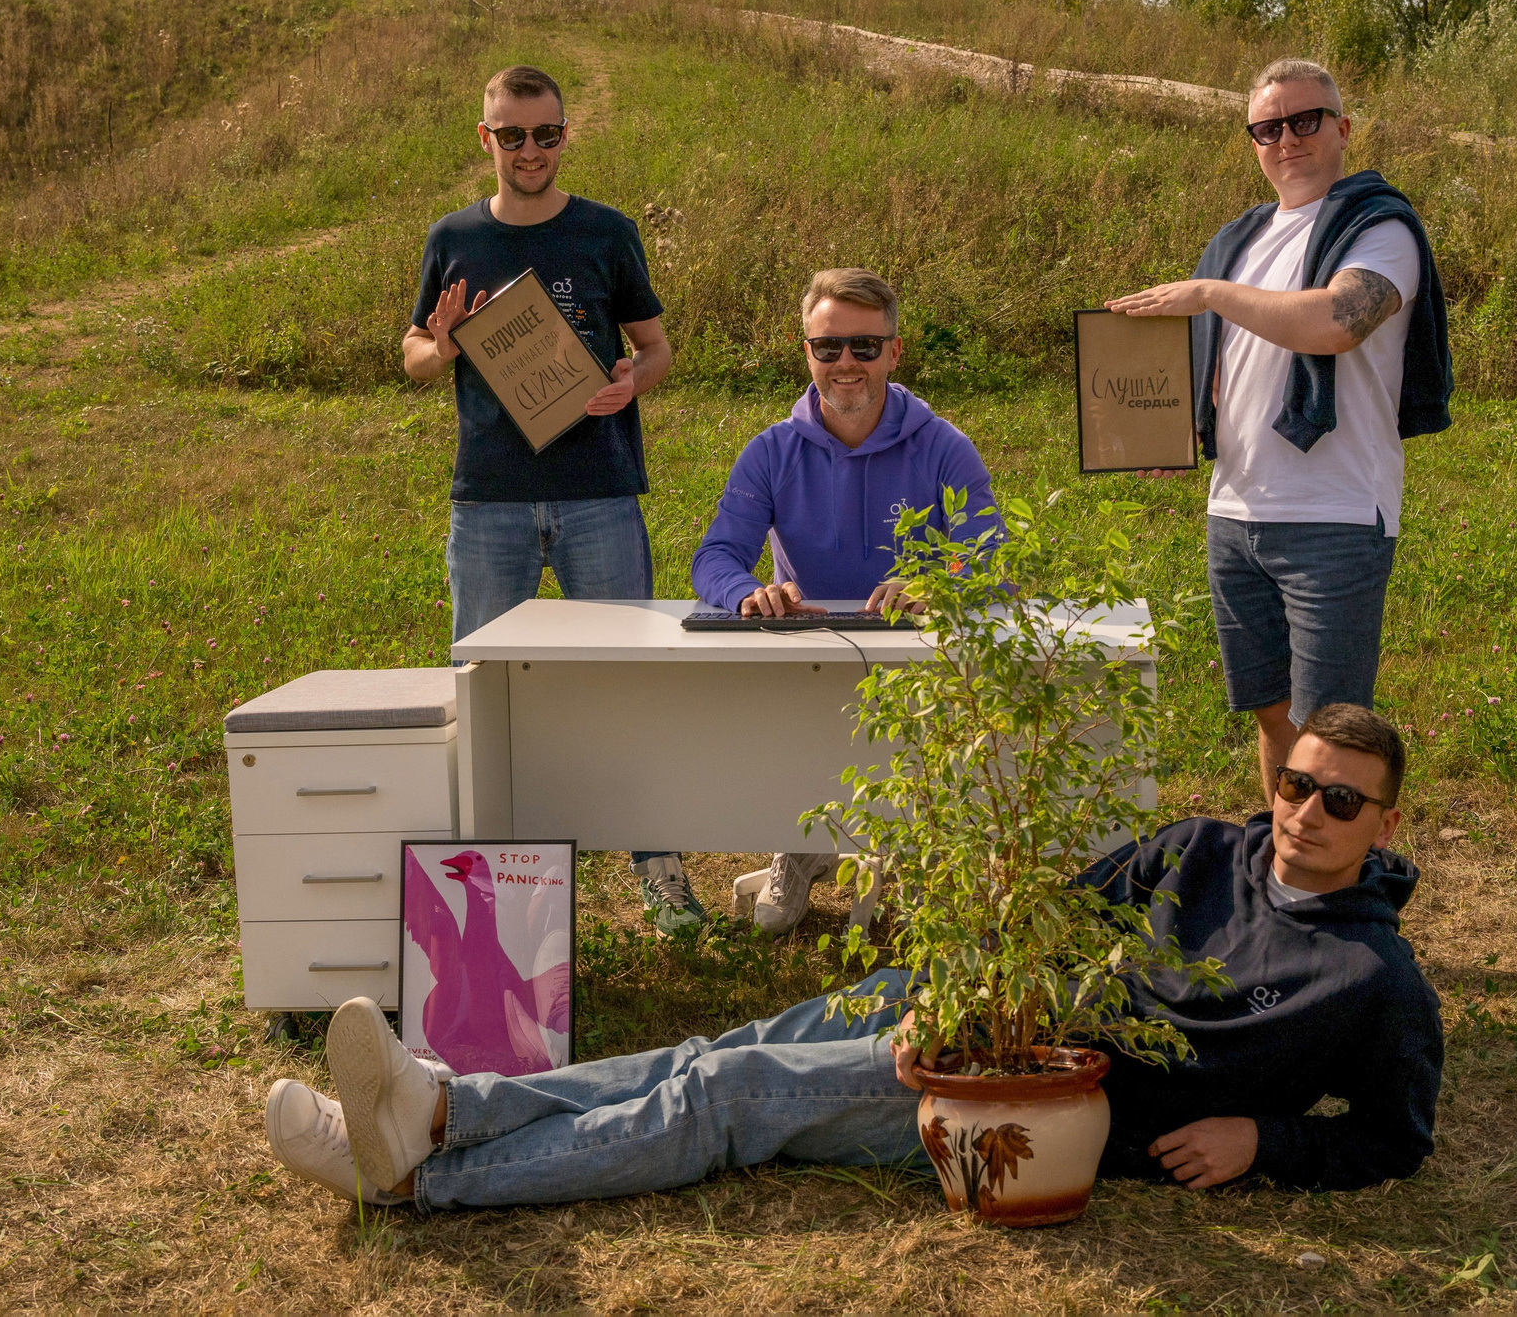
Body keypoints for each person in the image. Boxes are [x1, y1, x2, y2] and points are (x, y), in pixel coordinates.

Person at [262, 704, 1443, 1208]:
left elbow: (1396, 1139)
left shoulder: (1372, 981)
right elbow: (1047, 924)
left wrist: (1266, 1141)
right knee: (714, 1048)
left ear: (1383, 824)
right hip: (974, 1011)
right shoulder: (1200, 847)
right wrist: (957, 989)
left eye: (1341, 802)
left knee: (729, 1095)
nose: (1307, 812)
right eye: (1295, 783)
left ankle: (419, 1179)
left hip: (1033, 1097)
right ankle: (451, 1110)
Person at [405, 63, 701, 935]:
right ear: (484, 138)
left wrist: (627, 381)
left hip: (597, 490)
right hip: (490, 497)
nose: (529, 150)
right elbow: (414, 356)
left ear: (565, 135)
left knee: (629, 683)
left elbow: (656, 349)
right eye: (511, 134)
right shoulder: (453, 236)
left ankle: (661, 871)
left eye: (546, 133)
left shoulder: (607, 233)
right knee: (482, 689)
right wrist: (446, 345)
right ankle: (487, 889)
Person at [1106, 58, 1451, 806]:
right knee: (1269, 711)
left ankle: (1332, 893)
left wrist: (1205, 293)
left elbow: (1333, 323)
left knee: (1331, 732)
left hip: (1334, 515)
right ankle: (1286, 869)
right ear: (1253, 141)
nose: (1286, 138)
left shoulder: (1379, 226)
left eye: (1305, 120)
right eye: (1268, 127)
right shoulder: (1241, 238)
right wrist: (1172, 430)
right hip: (1236, 513)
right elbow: (1224, 362)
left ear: (1343, 128)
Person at [688, 268, 1000, 934]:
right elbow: (715, 557)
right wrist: (749, 592)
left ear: (894, 349)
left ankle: (911, 849)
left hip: (917, 669)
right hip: (806, 665)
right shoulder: (770, 452)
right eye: (827, 347)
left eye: (864, 345)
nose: (846, 363)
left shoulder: (945, 447)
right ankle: (799, 845)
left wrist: (937, 581)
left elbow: (988, 553)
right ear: (807, 352)